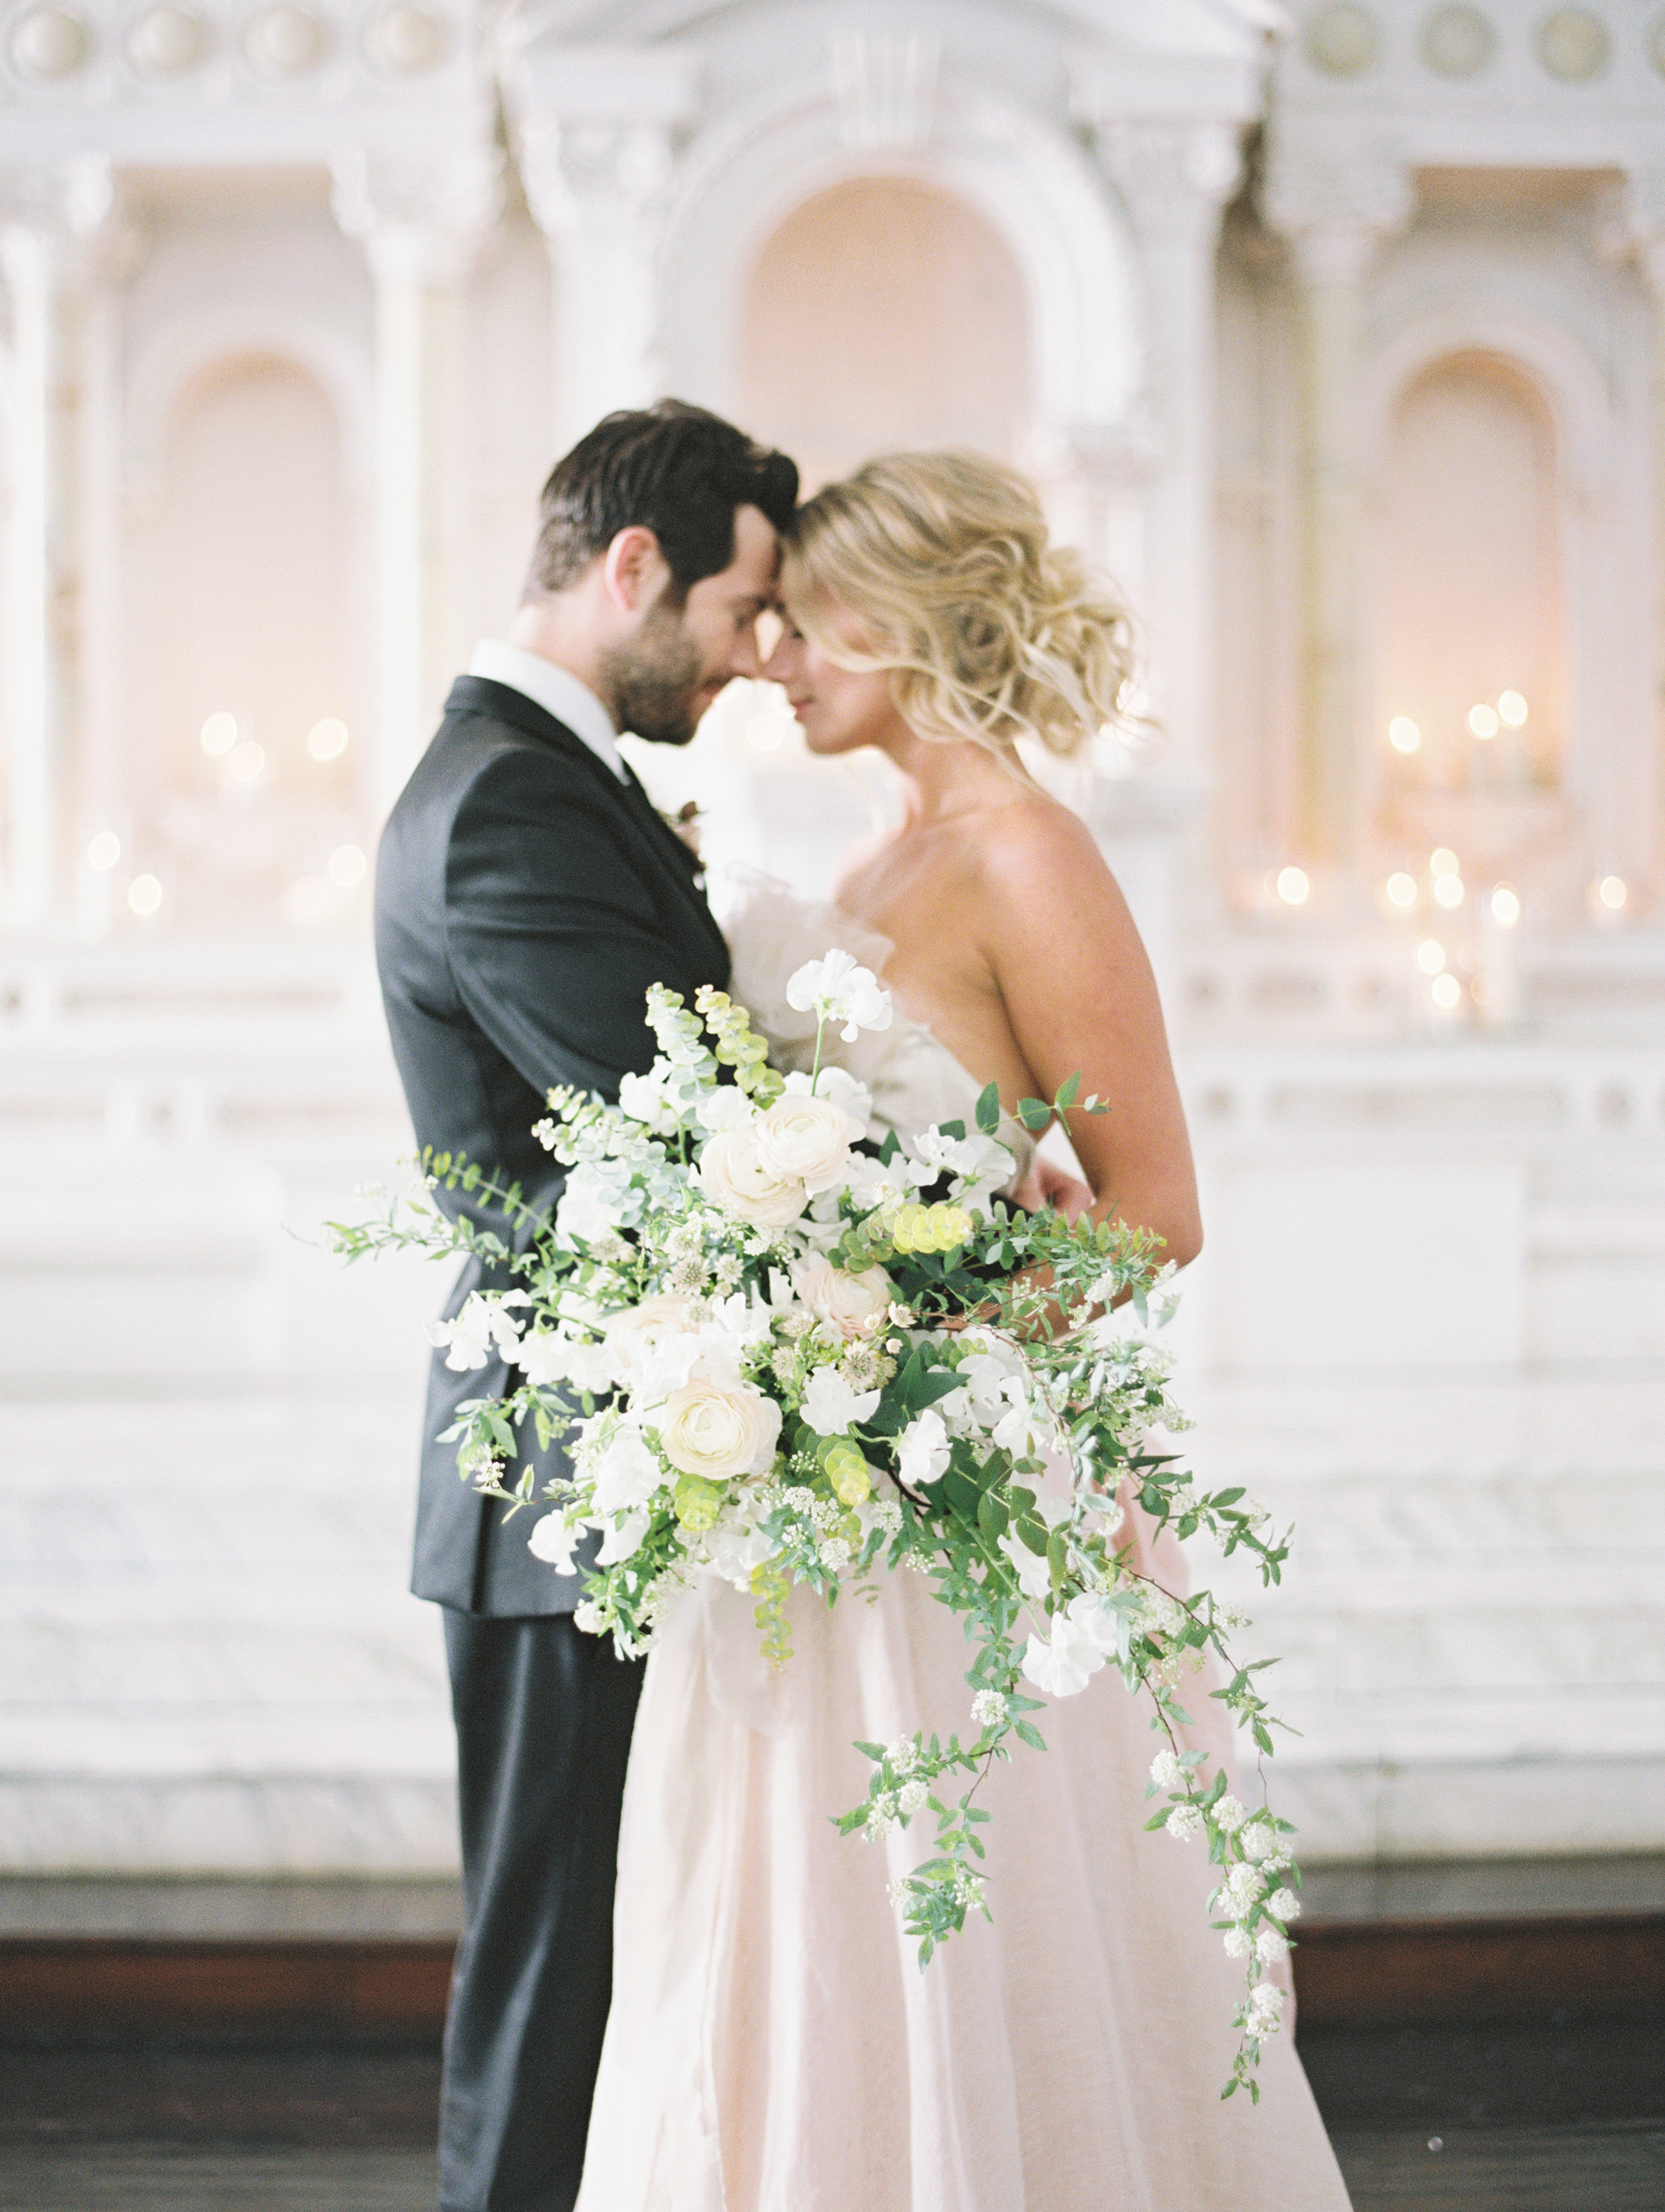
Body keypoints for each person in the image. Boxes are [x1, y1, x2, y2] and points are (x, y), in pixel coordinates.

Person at [574, 452, 1353, 2210]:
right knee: (815, 1929)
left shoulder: (1025, 853)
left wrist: (903, 1340)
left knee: (969, 1913)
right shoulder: (882, 849)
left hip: (956, 1492)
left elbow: (1153, 1207)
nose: (769, 659)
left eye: (795, 621)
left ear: (898, 620)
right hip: (840, 1492)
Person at [374, 400, 797, 2212]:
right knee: (555, 1975)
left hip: (604, 1470)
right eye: (737, 611)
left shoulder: (553, 780)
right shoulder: (499, 809)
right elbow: (681, 1133)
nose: (754, 658)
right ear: (635, 567)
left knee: (610, 1965)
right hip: (560, 1490)